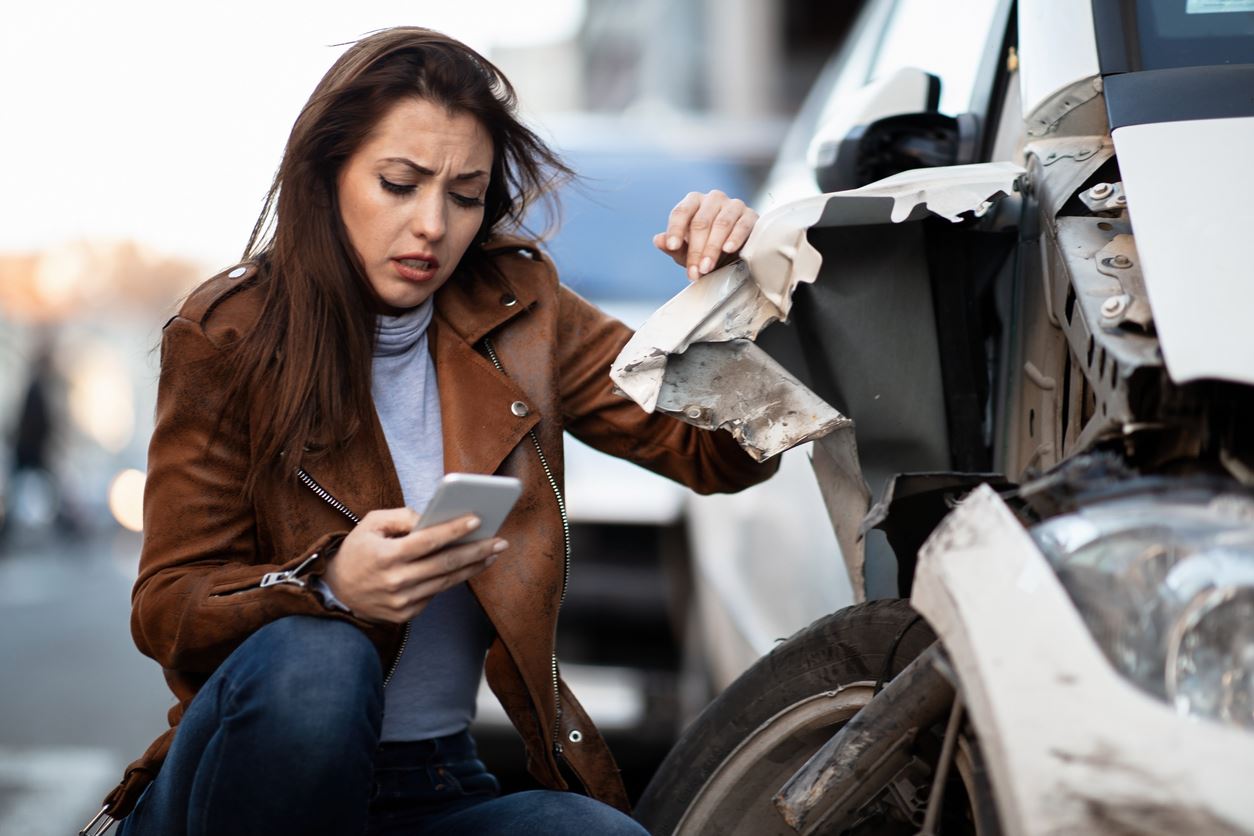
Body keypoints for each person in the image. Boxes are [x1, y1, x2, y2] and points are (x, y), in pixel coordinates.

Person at [97, 26, 775, 836]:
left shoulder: (523, 311)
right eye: (399, 183)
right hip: (244, 780)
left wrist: (731, 299)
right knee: (323, 659)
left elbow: (718, 456)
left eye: (463, 196)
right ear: (328, 176)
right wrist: (329, 586)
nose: (431, 226)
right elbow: (166, 607)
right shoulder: (229, 334)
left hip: (434, 782)